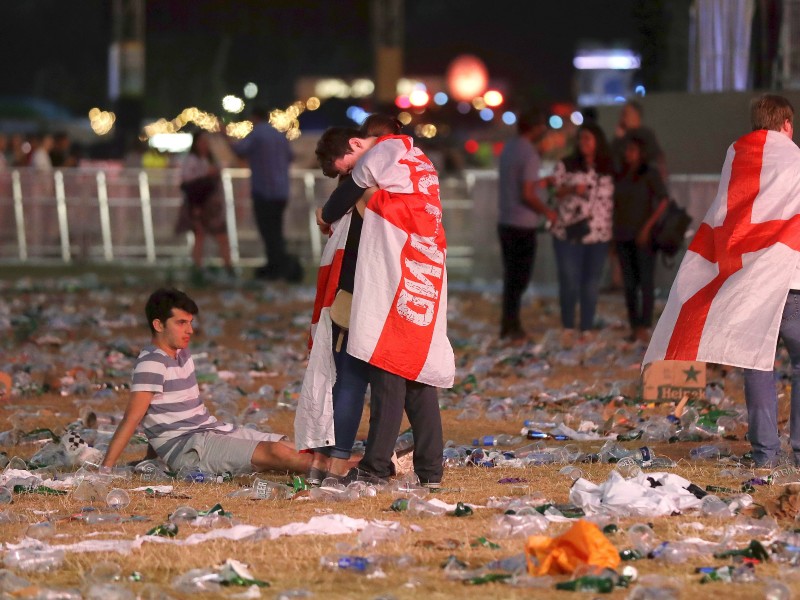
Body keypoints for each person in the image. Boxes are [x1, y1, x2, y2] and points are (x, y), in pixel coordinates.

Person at [643, 94, 800, 468]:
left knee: (757, 363)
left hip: (751, 282)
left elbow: (725, 218)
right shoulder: (796, 160)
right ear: (787, 124)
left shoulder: (736, 160)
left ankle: (765, 455)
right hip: (793, 276)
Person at [305, 124, 455, 488]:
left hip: (398, 277)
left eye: (346, 168)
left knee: (387, 373)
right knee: (417, 379)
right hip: (423, 272)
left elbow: (338, 204)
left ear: (358, 144)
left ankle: (373, 468)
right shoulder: (416, 162)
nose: (349, 178)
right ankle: (431, 471)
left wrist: (327, 215)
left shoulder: (382, 152)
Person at [101, 287, 310, 476]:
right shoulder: (151, 363)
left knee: (287, 445)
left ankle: (337, 465)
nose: (190, 330)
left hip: (209, 432)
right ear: (158, 325)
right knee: (275, 453)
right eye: (181, 323)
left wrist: (151, 458)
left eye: (190, 323)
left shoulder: (181, 353)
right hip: (191, 449)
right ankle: (337, 474)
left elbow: (163, 414)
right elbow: (133, 418)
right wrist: (106, 469)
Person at [299, 114, 402, 485]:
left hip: (353, 295)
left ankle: (333, 460)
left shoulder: (355, 189)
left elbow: (329, 222)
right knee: (375, 384)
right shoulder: (396, 180)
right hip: (377, 294)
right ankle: (348, 460)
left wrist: (325, 215)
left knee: (350, 379)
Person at [549, 122, 615, 340]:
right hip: (568, 231)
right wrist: (571, 189)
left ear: (598, 141)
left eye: (588, 138)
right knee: (569, 280)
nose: (583, 143)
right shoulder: (566, 165)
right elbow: (552, 191)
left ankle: (586, 327)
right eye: (580, 139)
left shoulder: (608, 167)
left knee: (591, 282)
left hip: (599, 234)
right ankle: (568, 325)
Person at [496, 108, 557, 340]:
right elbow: (527, 194)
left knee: (510, 277)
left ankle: (508, 324)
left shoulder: (510, 147)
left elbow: (521, 184)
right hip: (522, 225)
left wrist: (540, 183)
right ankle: (512, 326)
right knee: (519, 279)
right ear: (536, 128)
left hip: (505, 222)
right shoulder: (530, 153)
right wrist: (547, 211)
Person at [230, 106, 302, 282]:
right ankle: (279, 267)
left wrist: (225, 137)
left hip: (263, 191)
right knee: (276, 231)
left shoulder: (257, 134)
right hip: (281, 191)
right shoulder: (279, 135)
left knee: (268, 232)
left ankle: (276, 268)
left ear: (254, 118)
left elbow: (240, 151)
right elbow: (291, 156)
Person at [613, 134, 669, 342]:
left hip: (643, 236)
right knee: (629, 284)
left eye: (632, 150)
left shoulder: (649, 174)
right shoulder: (620, 174)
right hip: (622, 234)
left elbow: (663, 200)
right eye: (627, 150)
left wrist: (648, 226)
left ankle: (644, 325)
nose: (629, 154)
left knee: (645, 282)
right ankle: (634, 325)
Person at [175, 131, 234, 283]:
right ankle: (197, 270)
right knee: (199, 236)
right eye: (202, 141)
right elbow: (188, 185)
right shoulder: (191, 161)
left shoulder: (211, 160)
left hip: (213, 207)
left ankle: (228, 269)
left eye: (207, 142)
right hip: (199, 204)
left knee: (221, 237)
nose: (204, 145)